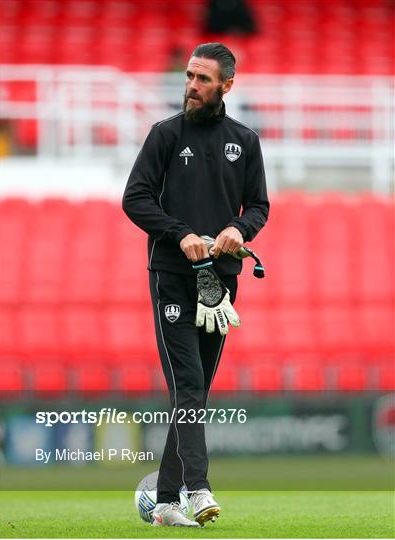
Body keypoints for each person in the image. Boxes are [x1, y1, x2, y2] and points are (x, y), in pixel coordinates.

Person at [122, 42, 269, 527]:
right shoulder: (164, 135)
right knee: (188, 384)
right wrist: (179, 233)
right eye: (189, 76)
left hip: (220, 284)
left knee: (196, 392)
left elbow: (259, 207)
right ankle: (198, 489)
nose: (192, 86)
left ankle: (164, 502)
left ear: (227, 85)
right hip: (171, 279)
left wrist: (237, 231)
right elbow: (135, 198)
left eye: (203, 79)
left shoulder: (245, 141)